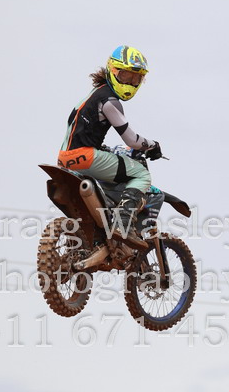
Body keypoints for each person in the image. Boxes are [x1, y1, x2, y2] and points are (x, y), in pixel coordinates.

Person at [58, 45, 163, 250]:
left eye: (135, 78)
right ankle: (123, 225)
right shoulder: (109, 100)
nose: (130, 82)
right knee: (141, 174)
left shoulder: (93, 95)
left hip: (64, 158)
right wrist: (152, 145)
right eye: (125, 75)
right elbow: (132, 140)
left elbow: (80, 130)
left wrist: (102, 148)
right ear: (112, 70)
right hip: (85, 157)